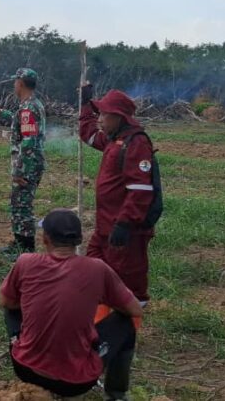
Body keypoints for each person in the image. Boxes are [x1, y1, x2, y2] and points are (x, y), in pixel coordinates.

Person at [0, 209, 143, 400]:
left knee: (11, 307)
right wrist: (92, 296)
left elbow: (6, 301)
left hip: (25, 369)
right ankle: (116, 394)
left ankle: (29, 349)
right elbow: (135, 309)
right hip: (75, 383)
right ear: (79, 240)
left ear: (45, 239)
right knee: (125, 323)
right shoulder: (97, 269)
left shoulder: (25, 262)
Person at [79, 85, 156, 303]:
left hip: (125, 229)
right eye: (99, 113)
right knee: (94, 264)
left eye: (104, 114)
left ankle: (127, 323)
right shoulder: (114, 139)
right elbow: (89, 135)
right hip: (105, 226)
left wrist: (124, 224)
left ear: (119, 117)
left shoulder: (136, 142)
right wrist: (86, 106)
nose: (100, 119)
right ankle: (103, 313)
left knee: (128, 278)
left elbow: (140, 190)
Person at [0, 68, 47, 257]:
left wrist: (19, 171)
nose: (14, 85)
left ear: (20, 83)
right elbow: (19, 123)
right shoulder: (31, 105)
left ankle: (25, 248)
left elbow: (29, 141)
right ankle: (19, 242)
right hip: (30, 163)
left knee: (22, 205)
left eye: (15, 82)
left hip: (28, 165)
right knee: (18, 203)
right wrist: (1, 113)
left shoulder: (28, 108)